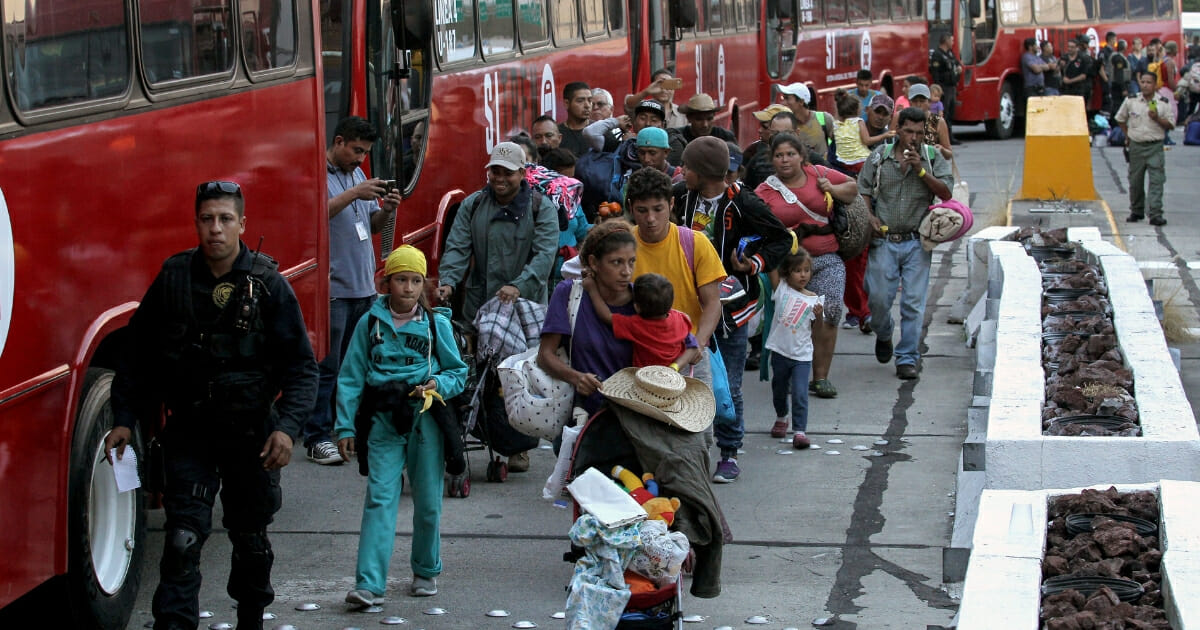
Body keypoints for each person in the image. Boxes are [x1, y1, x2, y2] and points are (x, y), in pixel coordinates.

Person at [106, 180, 319, 630]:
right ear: (196, 223)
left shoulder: (267, 285)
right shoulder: (175, 277)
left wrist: (288, 429)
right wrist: (124, 418)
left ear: (242, 223)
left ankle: (251, 619)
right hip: (191, 433)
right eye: (207, 219)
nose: (215, 229)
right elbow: (136, 354)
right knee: (182, 541)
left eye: (225, 219)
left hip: (252, 436)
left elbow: (302, 367)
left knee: (250, 542)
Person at [335, 246, 468, 608]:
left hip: (425, 419)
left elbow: (458, 371)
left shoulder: (436, 323)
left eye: (415, 280)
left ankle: (425, 569)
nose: (407, 288)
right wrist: (344, 426)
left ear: (423, 284)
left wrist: (438, 384)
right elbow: (350, 376)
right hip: (382, 419)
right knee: (379, 497)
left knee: (427, 500)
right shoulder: (370, 323)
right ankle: (368, 584)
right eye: (400, 279)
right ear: (386, 283)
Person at [674, 137, 792, 483]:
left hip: (730, 313)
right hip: (687, 308)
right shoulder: (682, 197)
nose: (682, 172)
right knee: (684, 383)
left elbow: (781, 239)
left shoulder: (744, 203)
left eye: (688, 166)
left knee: (729, 386)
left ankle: (729, 451)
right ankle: (690, 451)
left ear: (705, 172)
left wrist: (754, 263)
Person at [306, 117, 401, 466]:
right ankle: (317, 435)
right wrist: (353, 194)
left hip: (362, 284)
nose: (361, 159)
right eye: (356, 150)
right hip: (334, 288)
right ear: (339, 140)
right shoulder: (320, 174)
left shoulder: (358, 175)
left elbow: (372, 226)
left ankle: (349, 430)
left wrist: (386, 210)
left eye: (366, 153)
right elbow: (315, 216)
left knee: (358, 365)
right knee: (327, 366)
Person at [755, 132, 858, 399]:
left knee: (831, 310)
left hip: (826, 259)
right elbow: (753, 220)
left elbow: (852, 188)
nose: (785, 160)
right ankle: (793, 372)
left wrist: (831, 190)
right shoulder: (765, 190)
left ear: (802, 156)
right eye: (779, 155)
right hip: (787, 269)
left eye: (790, 154)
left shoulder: (818, 173)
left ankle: (820, 377)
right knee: (793, 320)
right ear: (772, 160)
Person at [858, 108, 952, 380]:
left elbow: (946, 193)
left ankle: (907, 358)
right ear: (897, 130)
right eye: (908, 131)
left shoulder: (932, 157)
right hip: (884, 240)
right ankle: (884, 333)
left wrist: (921, 171)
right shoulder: (879, 156)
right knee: (877, 300)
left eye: (919, 133)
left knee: (913, 303)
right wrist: (870, 217)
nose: (913, 138)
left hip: (917, 242)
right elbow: (863, 189)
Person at [437, 141, 561, 323]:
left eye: (508, 173)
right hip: (479, 307)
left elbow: (544, 257)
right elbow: (457, 247)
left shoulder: (542, 208)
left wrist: (518, 287)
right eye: (495, 172)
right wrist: (448, 281)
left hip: (525, 309)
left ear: (522, 174)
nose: (500, 179)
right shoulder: (472, 205)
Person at [537, 221, 639, 414]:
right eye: (616, 262)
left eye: (631, 262)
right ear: (593, 262)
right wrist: (576, 378)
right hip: (580, 417)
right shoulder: (569, 293)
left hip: (631, 418)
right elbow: (545, 355)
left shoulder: (641, 302)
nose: (626, 271)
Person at [764, 248, 823, 450]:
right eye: (797, 270)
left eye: (807, 270)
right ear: (787, 272)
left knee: (800, 392)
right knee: (779, 389)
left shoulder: (815, 299)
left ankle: (800, 431)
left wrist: (820, 316)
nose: (803, 275)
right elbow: (770, 267)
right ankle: (782, 417)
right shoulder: (780, 289)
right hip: (780, 351)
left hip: (802, 355)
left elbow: (817, 331)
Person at [584, 272, 699, 369]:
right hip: (672, 376)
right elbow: (692, 344)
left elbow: (607, 316)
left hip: (643, 379)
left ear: (637, 307)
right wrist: (674, 367)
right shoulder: (681, 319)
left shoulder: (637, 325)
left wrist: (592, 290)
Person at [1115, 72, 1174, 226]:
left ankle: (1155, 213)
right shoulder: (1131, 101)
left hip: (1155, 146)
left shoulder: (1162, 102)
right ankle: (1136, 210)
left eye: (1149, 82)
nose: (1145, 85)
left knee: (1156, 181)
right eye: (1143, 82)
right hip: (1136, 146)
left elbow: (1170, 125)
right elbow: (1120, 119)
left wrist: (1157, 118)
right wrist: (1127, 136)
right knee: (1135, 181)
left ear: (1155, 85)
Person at [667, 93, 737, 165]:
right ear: (689, 118)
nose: (705, 125)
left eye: (709, 119)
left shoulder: (726, 136)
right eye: (699, 119)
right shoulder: (678, 137)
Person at [778, 82, 835, 163]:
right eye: (783, 98)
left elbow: (839, 144)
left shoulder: (824, 118)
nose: (783, 103)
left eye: (787, 98)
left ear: (801, 102)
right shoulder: (786, 125)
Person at [743, 109, 799, 190]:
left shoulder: (812, 160)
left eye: (765, 127)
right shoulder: (755, 156)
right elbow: (746, 190)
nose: (759, 130)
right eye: (775, 133)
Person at [624, 68, 688, 129]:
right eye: (660, 85)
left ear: (674, 88)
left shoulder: (682, 113)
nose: (664, 89)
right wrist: (646, 92)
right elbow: (629, 104)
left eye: (668, 85)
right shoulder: (643, 106)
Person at [929, 33, 962, 144]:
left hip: (951, 87)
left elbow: (956, 63)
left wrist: (958, 68)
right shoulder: (937, 55)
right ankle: (940, 138)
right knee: (943, 113)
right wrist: (939, 90)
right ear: (946, 41)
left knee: (950, 113)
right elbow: (935, 73)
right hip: (944, 88)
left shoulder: (949, 53)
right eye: (951, 40)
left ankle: (949, 137)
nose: (953, 43)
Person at [908, 84, 953, 160]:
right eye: (915, 101)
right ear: (910, 102)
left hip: (931, 169)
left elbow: (949, 154)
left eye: (922, 101)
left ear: (929, 102)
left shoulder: (937, 122)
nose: (918, 104)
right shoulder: (902, 118)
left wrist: (941, 149)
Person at [832, 90, 871, 174]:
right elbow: (867, 141)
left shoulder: (836, 125)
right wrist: (884, 135)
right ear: (857, 110)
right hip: (862, 161)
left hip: (844, 163)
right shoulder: (858, 122)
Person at [558, 82, 594, 157]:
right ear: (566, 103)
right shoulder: (557, 134)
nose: (587, 105)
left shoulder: (600, 130)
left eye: (590, 100)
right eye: (580, 101)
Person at [1110, 40, 1131, 115]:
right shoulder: (1119, 58)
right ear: (1125, 48)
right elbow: (1119, 74)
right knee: (1118, 105)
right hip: (1118, 86)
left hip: (1119, 85)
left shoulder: (1118, 57)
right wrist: (1123, 88)